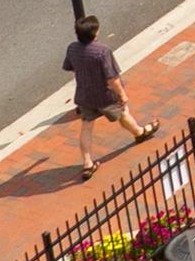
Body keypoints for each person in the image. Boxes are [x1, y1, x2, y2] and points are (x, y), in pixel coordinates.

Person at [64, 14, 155, 174]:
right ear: (94, 33)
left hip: (85, 95)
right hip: (105, 96)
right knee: (123, 114)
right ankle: (139, 132)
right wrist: (122, 95)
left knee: (86, 127)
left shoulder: (72, 48)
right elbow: (112, 78)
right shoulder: (102, 51)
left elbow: (70, 67)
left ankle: (87, 163)